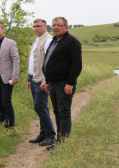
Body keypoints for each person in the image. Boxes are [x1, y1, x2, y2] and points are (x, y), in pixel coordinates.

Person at [43, 17, 82, 150]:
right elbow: (49, 62)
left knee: (64, 112)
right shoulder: (54, 41)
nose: (55, 27)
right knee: (57, 112)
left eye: (59, 25)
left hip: (64, 83)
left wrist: (70, 83)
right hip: (53, 83)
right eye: (53, 25)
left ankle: (63, 143)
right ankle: (59, 141)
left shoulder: (72, 42)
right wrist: (47, 81)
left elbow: (77, 65)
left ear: (66, 27)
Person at [27, 19, 56, 146]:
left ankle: (50, 135)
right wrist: (29, 78)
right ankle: (43, 133)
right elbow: (32, 62)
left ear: (45, 27)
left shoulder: (48, 40)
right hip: (34, 78)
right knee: (39, 107)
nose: (35, 28)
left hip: (42, 80)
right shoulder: (37, 41)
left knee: (40, 106)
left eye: (38, 26)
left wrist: (46, 79)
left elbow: (50, 62)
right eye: (34, 26)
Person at [0, 21, 20, 128]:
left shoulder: (10, 43)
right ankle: (3, 122)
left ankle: (10, 126)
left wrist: (15, 76)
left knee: (6, 102)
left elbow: (16, 60)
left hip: (6, 78)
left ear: (3, 29)